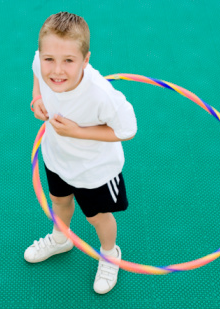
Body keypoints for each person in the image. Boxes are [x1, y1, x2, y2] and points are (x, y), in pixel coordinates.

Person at [25, 12, 137, 294]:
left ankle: (110, 253)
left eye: (69, 61)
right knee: (59, 202)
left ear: (86, 60)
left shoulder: (101, 94)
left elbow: (127, 129)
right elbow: (37, 72)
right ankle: (61, 238)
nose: (57, 70)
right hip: (57, 157)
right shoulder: (41, 62)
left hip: (95, 170)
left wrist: (78, 131)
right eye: (50, 59)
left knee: (97, 218)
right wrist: (37, 97)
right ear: (42, 54)